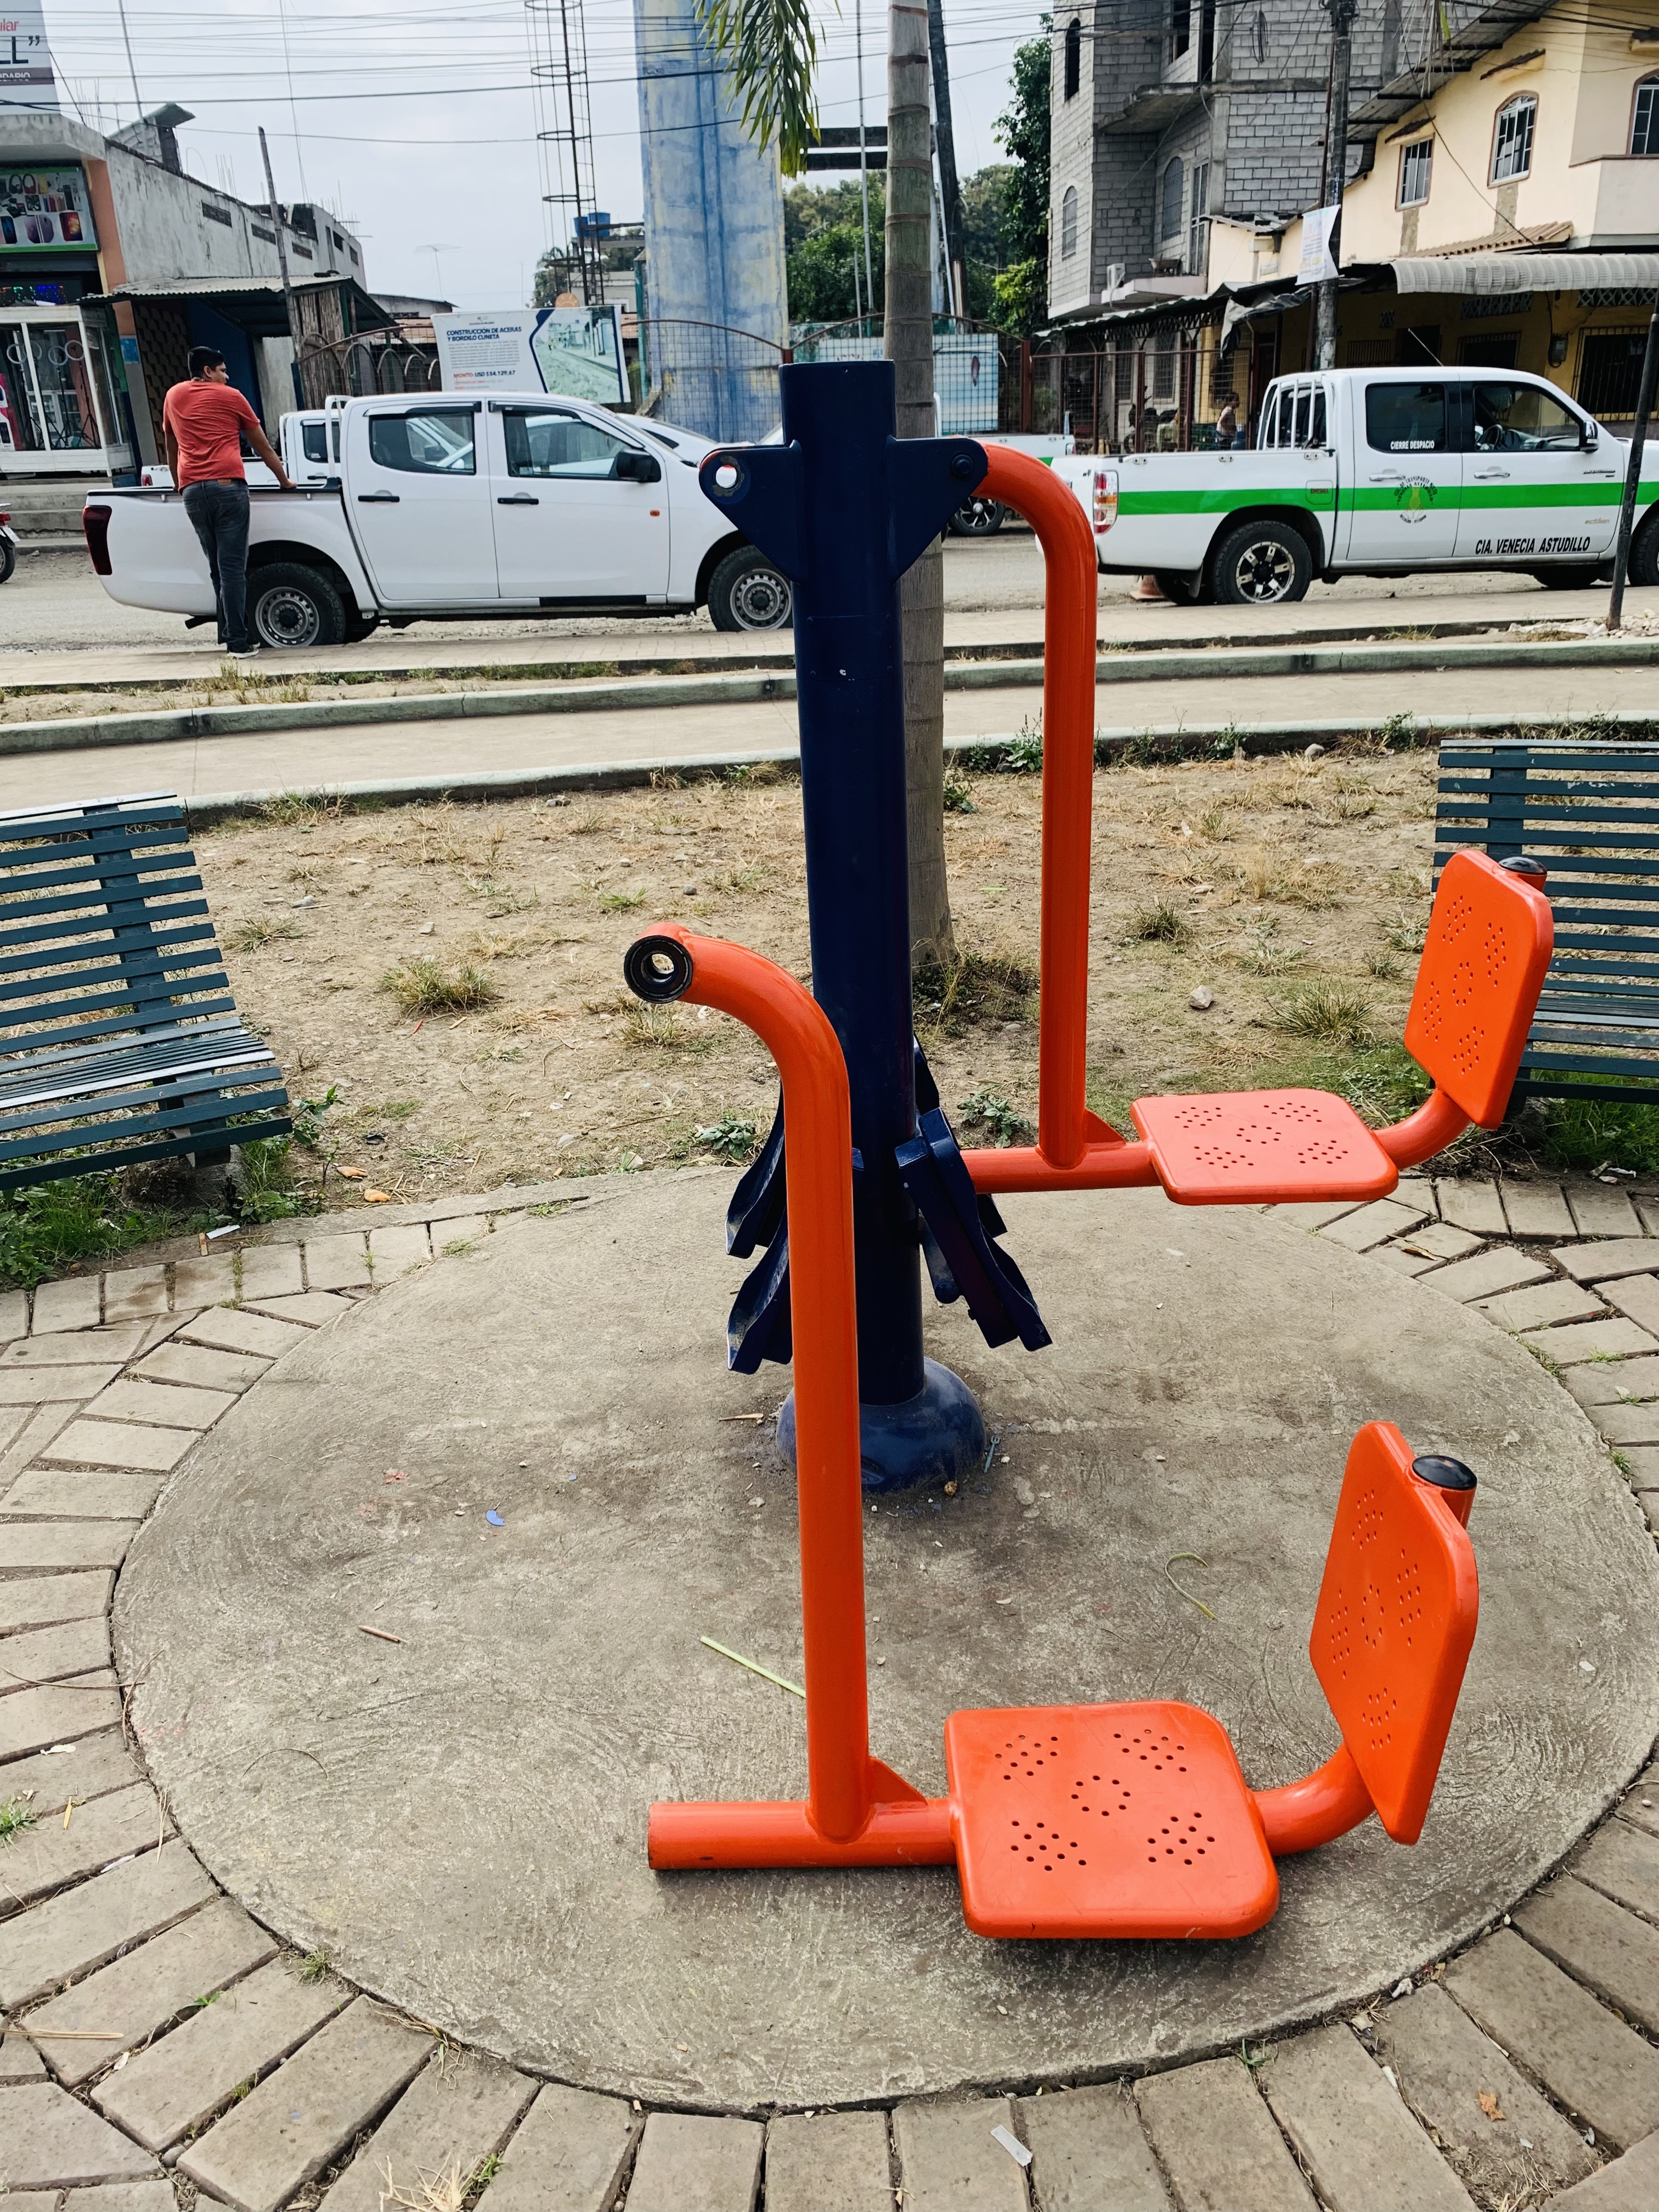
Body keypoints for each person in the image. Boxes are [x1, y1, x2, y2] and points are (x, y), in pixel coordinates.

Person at [162, 346, 295, 658]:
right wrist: (284, 481)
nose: (227, 376)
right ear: (208, 371)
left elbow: (171, 444)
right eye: (222, 370)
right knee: (233, 568)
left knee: (217, 568)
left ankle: (229, 633)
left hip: (193, 491)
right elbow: (263, 447)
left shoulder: (173, 396)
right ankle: (238, 642)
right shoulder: (232, 397)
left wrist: (178, 482)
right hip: (228, 488)